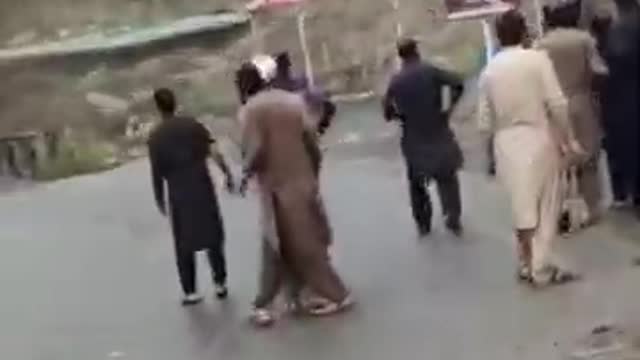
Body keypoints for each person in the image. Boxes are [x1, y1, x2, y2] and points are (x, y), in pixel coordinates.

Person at [235, 62, 353, 326]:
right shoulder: (292, 101)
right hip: (302, 181)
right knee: (300, 241)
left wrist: (245, 174)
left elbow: (255, 150)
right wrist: (313, 174)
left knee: (286, 244)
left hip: (278, 187)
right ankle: (295, 295)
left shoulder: (251, 110)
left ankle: (336, 294)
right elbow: (311, 141)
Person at [477, 10, 581, 286]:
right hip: (538, 136)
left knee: (521, 207)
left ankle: (525, 262)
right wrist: (568, 139)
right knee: (546, 205)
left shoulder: (489, 71)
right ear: (524, 32)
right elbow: (557, 103)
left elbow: (484, 121)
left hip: (506, 142)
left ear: (499, 37)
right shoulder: (537, 60)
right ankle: (541, 267)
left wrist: (488, 154)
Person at [147, 88, 234, 306]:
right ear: (175, 103)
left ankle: (190, 290)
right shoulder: (193, 125)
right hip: (202, 186)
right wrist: (227, 173)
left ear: (158, 107)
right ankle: (220, 283)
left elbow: (156, 171)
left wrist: (159, 198)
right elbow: (214, 151)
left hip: (178, 192)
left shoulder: (155, 137)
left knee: (184, 241)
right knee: (213, 235)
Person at [383, 38, 465, 236]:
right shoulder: (431, 71)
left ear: (401, 56)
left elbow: (387, 111)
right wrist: (448, 107)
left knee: (416, 181)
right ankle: (452, 214)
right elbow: (458, 83)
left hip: (413, 136)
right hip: (438, 127)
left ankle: (423, 222)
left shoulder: (396, 81)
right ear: (416, 51)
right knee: (447, 176)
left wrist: (400, 116)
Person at [537, 0, 609, 224]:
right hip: (581, 101)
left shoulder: (541, 45)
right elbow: (600, 70)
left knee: (560, 160)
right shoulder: (583, 39)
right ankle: (593, 208)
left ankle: (560, 210)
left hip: (554, 107)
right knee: (588, 156)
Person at [601, 0, 640, 212]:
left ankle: (627, 192)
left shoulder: (614, 31)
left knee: (624, 146)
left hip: (620, 98)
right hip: (630, 94)